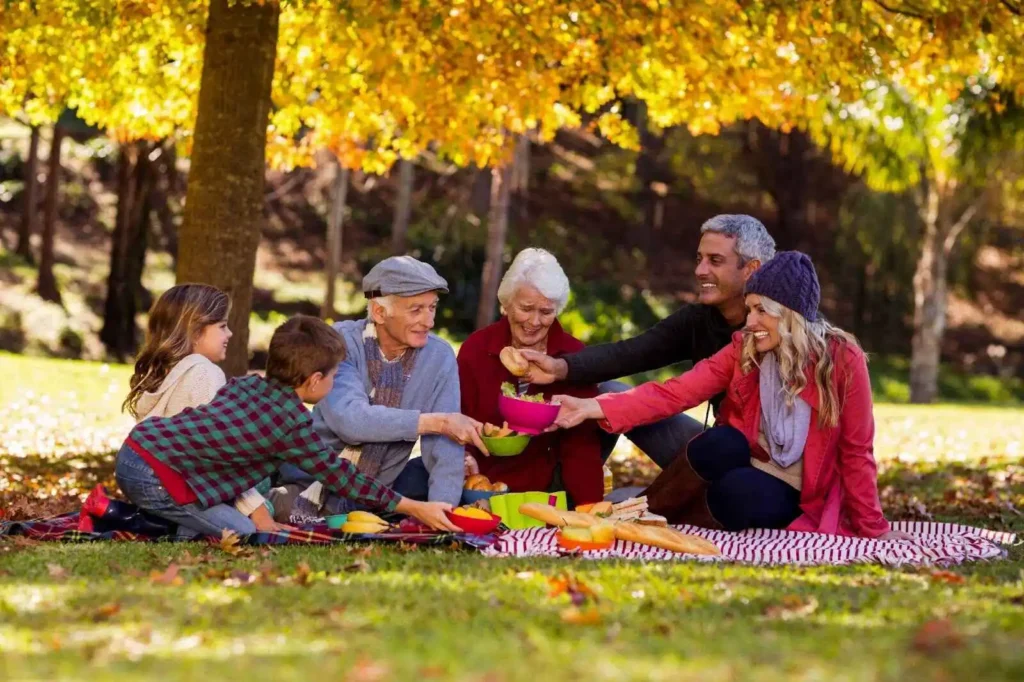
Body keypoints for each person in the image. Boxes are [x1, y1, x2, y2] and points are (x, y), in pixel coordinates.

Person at [552, 252, 911, 540]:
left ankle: (656, 514)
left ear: (791, 317)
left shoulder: (842, 361)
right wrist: (592, 406)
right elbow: (678, 391)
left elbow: (856, 450)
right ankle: (640, 515)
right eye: (749, 309)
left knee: (737, 492)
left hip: (798, 489)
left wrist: (873, 527)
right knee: (722, 442)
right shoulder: (745, 347)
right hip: (749, 459)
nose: (749, 321)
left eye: (761, 311)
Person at [113, 315, 460, 536]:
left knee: (237, 522)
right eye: (334, 377)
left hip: (141, 446)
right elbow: (341, 476)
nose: (335, 382)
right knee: (242, 532)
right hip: (154, 474)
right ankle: (128, 517)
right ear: (313, 381)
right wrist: (413, 506)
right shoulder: (291, 424)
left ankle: (173, 514)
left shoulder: (246, 384)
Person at [519, 215, 776, 470]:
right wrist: (560, 367)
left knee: (727, 447)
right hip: (715, 449)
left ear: (751, 269)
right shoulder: (700, 319)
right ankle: (576, 497)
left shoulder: (782, 329)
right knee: (607, 393)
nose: (700, 270)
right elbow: (633, 353)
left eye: (715, 261)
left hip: (771, 465)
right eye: (700, 259)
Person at [284, 256, 485, 516]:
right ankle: (293, 501)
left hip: (384, 486)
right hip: (319, 477)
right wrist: (439, 422)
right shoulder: (338, 343)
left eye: (432, 307)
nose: (429, 321)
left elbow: (444, 449)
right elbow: (351, 421)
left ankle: (389, 509)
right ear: (379, 312)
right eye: (416, 310)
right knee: (290, 498)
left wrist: (443, 513)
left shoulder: (440, 356)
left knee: (437, 469)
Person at [114, 284, 285, 534]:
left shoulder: (170, 366)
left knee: (258, 482)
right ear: (194, 331)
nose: (230, 334)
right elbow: (222, 458)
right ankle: (144, 523)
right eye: (222, 326)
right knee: (243, 529)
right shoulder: (204, 373)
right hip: (161, 481)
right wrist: (259, 515)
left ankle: (162, 517)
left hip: (136, 469)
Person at [457, 248, 603, 505]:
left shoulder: (573, 356)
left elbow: (582, 448)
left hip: (547, 487)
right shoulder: (476, 348)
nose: (534, 321)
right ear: (507, 304)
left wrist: (589, 509)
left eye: (546, 312)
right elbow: (457, 416)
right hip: (483, 481)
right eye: (526, 308)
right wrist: (463, 459)